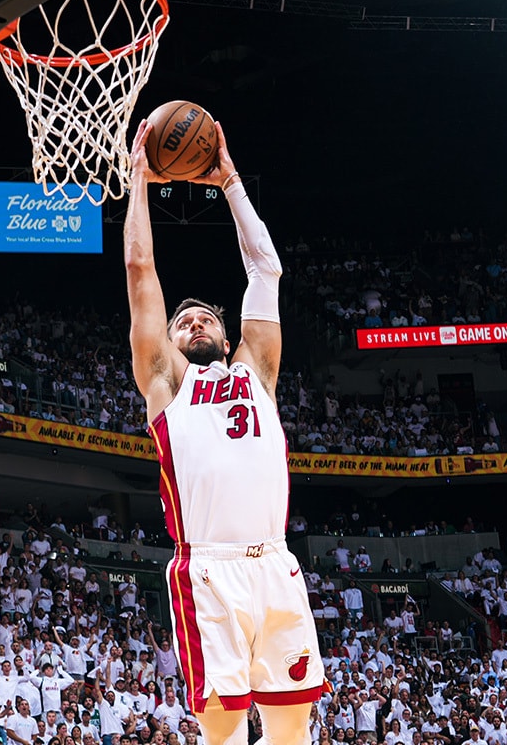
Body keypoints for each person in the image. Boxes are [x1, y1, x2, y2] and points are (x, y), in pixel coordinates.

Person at [124, 118, 325, 744]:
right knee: (226, 733)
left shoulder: (258, 370)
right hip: (208, 571)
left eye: (204, 318)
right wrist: (139, 180)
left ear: (226, 330)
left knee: (292, 731)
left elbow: (266, 269)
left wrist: (231, 183)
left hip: (276, 562)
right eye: (181, 323)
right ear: (169, 343)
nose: (193, 324)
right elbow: (140, 269)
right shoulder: (166, 383)